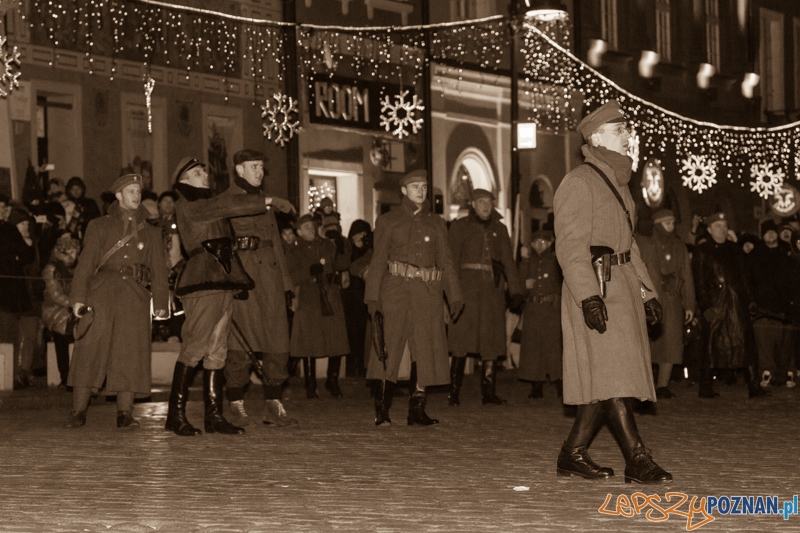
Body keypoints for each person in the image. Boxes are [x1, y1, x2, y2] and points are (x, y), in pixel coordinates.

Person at [553, 100, 671, 484]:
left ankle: (572, 453)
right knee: (612, 374)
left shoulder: (620, 184)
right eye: (620, 131)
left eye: (626, 130)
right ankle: (637, 459)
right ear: (597, 137)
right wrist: (588, 296)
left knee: (607, 376)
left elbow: (629, 245)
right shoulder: (578, 182)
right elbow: (570, 248)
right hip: (595, 287)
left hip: (621, 286)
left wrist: (646, 293)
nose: (627, 137)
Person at [166, 156, 294, 436]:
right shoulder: (189, 204)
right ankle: (175, 415)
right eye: (198, 173)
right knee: (195, 346)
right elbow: (226, 204)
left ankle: (214, 416)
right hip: (203, 280)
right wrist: (267, 201)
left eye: (204, 172)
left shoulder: (206, 203)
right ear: (183, 181)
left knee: (217, 351)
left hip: (223, 278)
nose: (205, 176)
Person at [64, 174, 169, 428]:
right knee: (90, 349)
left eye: (138, 191)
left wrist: (162, 305)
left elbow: (159, 270)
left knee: (130, 353)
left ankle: (125, 413)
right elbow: (86, 263)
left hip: (135, 297)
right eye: (130, 191)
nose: (136, 195)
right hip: (101, 293)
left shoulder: (153, 232)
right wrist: (78, 298)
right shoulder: (99, 226)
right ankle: (78, 411)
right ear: (119, 195)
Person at [365, 169, 463, 426]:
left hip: (427, 293)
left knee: (425, 349)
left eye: (424, 186)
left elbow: (447, 261)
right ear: (403, 190)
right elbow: (377, 262)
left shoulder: (437, 223)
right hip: (395, 289)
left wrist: (454, 295)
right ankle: (382, 408)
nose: (421, 190)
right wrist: (372, 298)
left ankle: (417, 408)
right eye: (415, 186)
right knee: (388, 346)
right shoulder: (388, 221)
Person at [220, 149, 297, 427]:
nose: (259, 172)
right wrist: (270, 200)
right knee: (242, 341)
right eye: (253, 166)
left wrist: (287, 285)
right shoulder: (229, 198)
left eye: (261, 167)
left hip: (271, 279)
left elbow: (276, 242)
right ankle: (235, 402)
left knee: (277, 339)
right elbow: (235, 209)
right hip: (245, 276)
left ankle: (273, 404)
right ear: (239, 170)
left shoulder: (264, 203)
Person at [446, 188, 524, 406]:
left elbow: (509, 261)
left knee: (491, 340)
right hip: (467, 291)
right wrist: (452, 293)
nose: (486, 206)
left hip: (492, 292)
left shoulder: (500, 229)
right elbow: (450, 262)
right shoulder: (460, 227)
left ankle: (488, 392)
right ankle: (454, 391)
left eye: (489, 202)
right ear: (472, 204)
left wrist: (516, 291)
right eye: (481, 202)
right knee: (461, 340)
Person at [691, 212, 766, 399]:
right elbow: (699, 282)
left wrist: (750, 301)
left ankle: (754, 386)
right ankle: (705, 386)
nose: (722, 229)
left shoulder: (735, 249)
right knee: (710, 345)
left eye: (724, 225)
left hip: (737, 304)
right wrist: (705, 306)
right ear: (709, 229)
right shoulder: (703, 251)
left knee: (746, 343)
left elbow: (744, 278)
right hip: (716, 304)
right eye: (718, 226)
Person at [286, 214, 351, 399]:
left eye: (312, 226)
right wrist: (308, 273)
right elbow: (291, 276)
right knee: (309, 342)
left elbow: (343, 264)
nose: (311, 230)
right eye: (306, 227)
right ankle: (310, 383)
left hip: (330, 294)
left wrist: (342, 246)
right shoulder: (294, 251)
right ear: (298, 231)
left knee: (336, 339)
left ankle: (333, 380)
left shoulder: (327, 245)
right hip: (308, 297)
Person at [638, 209, 696, 399]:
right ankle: (644, 382)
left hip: (671, 299)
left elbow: (687, 276)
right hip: (650, 297)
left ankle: (663, 384)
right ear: (658, 225)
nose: (671, 227)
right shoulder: (647, 244)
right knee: (647, 342)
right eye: (667, 223)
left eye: (673, 223)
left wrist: (689, 304)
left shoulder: (679, 246)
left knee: (671, 340)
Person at [746, 220, 795, 388]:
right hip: (763, 306)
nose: (771, 235)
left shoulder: (786, 253)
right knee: (765, 340)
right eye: (767, 233)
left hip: (784, 306)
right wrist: (752, 300)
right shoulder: (755, 255)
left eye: (773, 232)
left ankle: (786, 372)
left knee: (786, 341)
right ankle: (767, 371)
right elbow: (749, 280)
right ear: (763, 235)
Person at [517, 230, 563, 399]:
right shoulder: (528, 262)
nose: (539, 245)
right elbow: (518, 288)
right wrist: (525, 283)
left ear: (549, 243)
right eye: (535, 242)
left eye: (542, 242)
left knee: (554, 348)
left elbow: (562, 283)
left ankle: (560, 383)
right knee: (533, 349)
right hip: (533, 309)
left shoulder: (556, 260)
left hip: (551, 309)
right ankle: (536, 385)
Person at [0, 204, 38, 389]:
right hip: (11, 297)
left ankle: (23, 372)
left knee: (28, 335)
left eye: (26, 223)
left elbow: (29, 260)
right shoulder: (8, 235)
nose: (25, 227)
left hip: (28, 297)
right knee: (10, 336)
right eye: (21, 224)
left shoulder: (30, 241)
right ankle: (11, 374)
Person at [41, 232, 80, 387]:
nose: (74, 256)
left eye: (76, 252)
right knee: (62, 333)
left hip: (73, 308)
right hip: (55, 310)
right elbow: (55, 294)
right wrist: (75, 304)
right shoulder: (51, 269)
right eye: (71, 252)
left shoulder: (76, 269)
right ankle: (66, 376)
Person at [341, 219, 373, 378]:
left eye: (364, 233)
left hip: (364, 295)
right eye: (359, 232)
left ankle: (360, 367)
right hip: (349, 295)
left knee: (362, 333)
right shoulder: (348, 248)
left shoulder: (369, 250)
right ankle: (349, 368)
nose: (362, 236)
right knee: (350, 333)